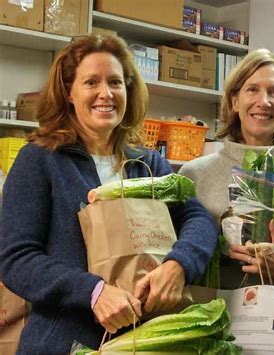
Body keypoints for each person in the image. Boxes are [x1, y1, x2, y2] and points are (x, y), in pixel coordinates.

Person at [0, 34, 217, 354]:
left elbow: (198, 218)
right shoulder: (41, 159)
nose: (106, 93)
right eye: (91, 82)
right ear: (69, 93)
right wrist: (94, 292)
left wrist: (179, 265)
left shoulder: (149, 164)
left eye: (115, 82)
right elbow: (16, 259)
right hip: (63, 342)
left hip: (144, 340)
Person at [179, 49, 274, 289]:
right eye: (252, 89)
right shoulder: (194, 175)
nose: (264, 102)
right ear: (234, 101)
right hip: (208, 320)